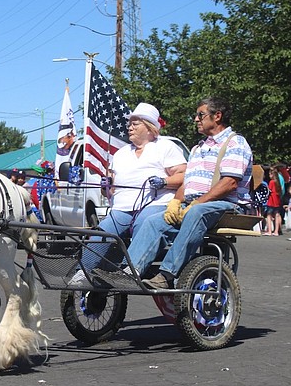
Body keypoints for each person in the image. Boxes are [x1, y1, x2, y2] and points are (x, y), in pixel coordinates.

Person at [125, 96, 253, 289]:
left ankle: (166, 275)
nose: (196, 119)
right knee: (154, 221)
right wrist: (175, 202)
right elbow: (188, 182)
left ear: (217, 116)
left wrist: (196, 203)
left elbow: (229, 184)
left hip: (229, 205)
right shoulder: (198, 147)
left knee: (196, 213)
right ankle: (128, 272)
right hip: (197, 204)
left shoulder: (235, 143)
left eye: (200, 115)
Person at [70, 102, 187, 283]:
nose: (129, 127)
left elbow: (184, 175)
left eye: (135, 123)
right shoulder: (121, 154)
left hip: (155, 203)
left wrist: (164, 181)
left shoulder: (166, 147)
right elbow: (111, 187)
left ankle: (127, 271)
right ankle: (82, 272)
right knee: (103, 231)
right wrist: (106, 184)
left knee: (144, 222)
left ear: (149, 128)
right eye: (129, 123)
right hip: (122, 207)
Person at [264, 167, 283, 236]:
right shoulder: (278, 182)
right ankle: (276, 231)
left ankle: (269, 231)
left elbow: (269, 190)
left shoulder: (271, 182)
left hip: (271, 200)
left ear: (272, 175)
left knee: (269, 215)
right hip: (277, 200)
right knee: (277, 215)